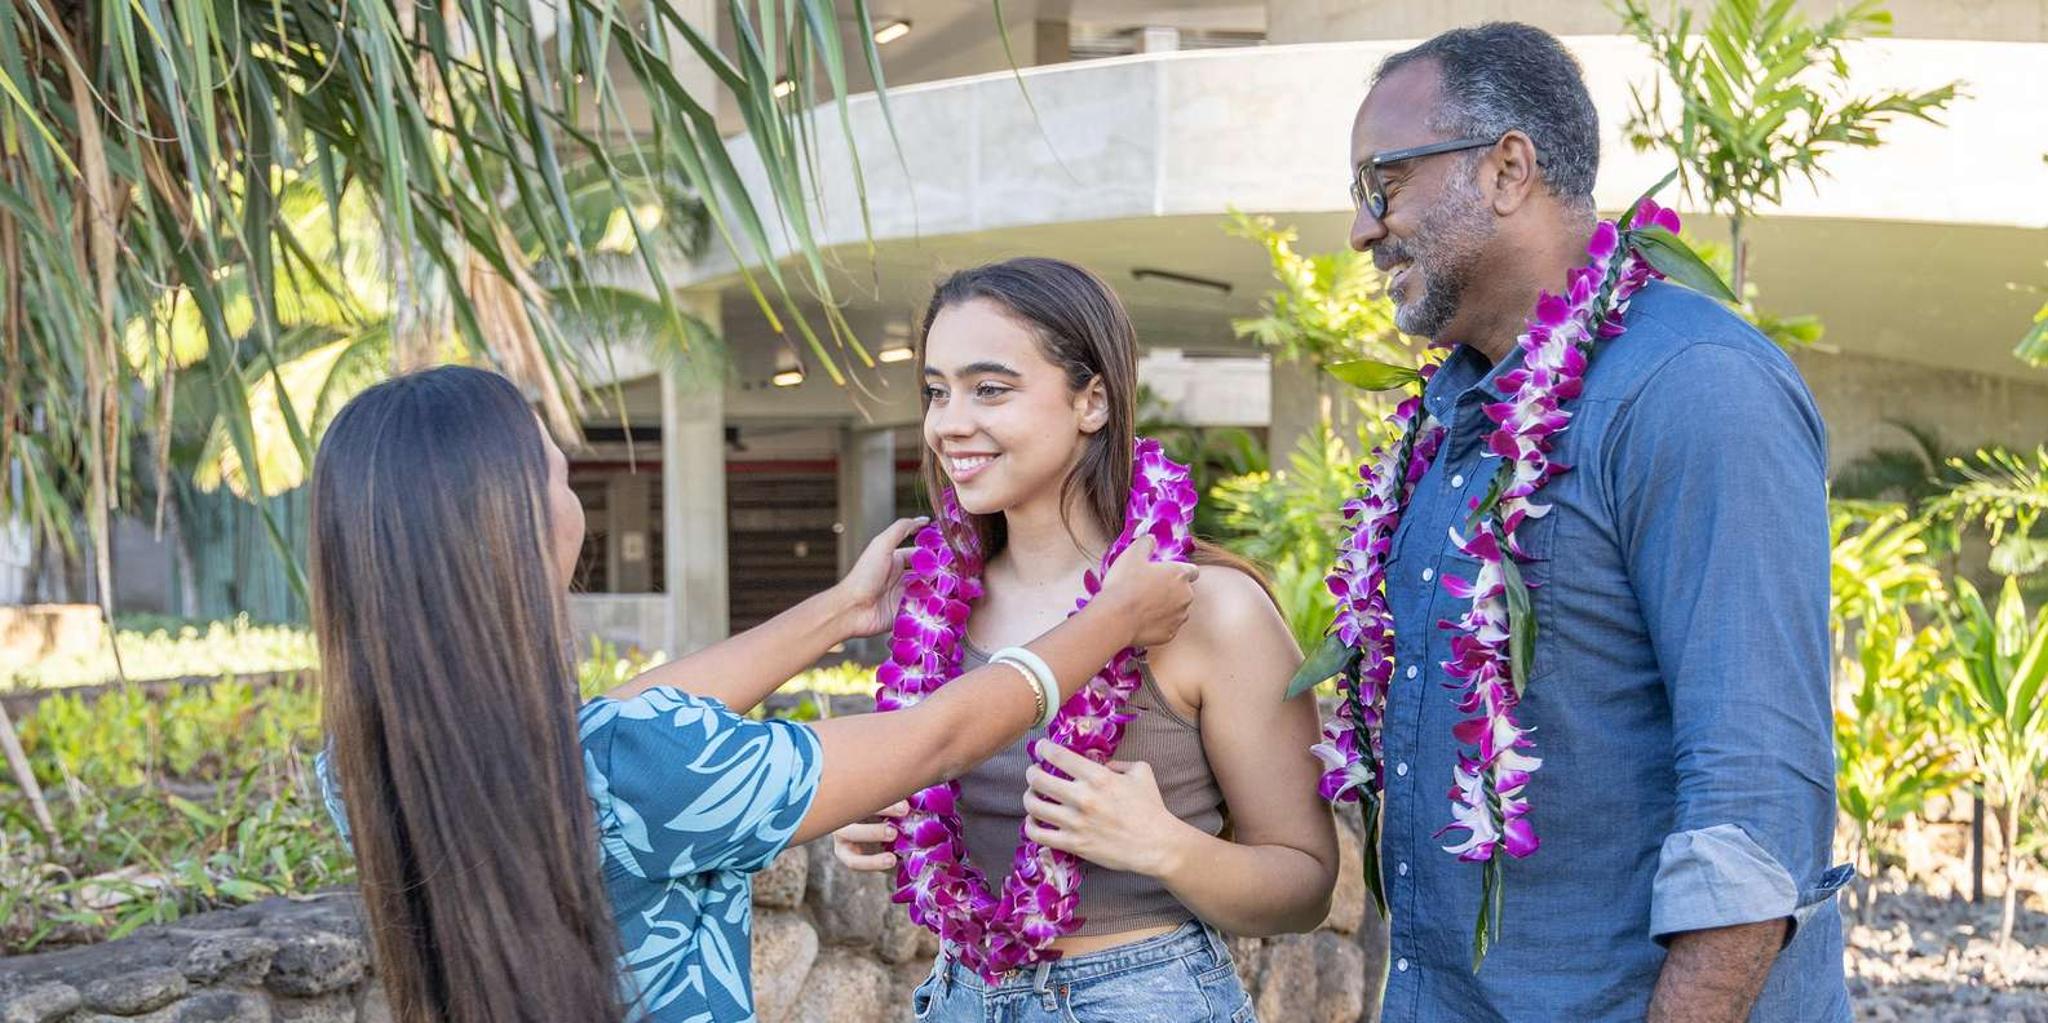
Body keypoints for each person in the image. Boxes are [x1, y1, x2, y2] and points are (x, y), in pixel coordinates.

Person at [308, 364, 1200, 1023]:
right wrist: (1113, 617)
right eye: (556, 474)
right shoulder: (646, 771)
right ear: (513, 528)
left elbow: (605, 730)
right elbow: (934, 741)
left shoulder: (356, 765)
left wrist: (841, 611)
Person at [1339, 22, 1850, 1022]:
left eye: (1380, 183)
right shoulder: (1449, 418)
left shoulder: (1692, 387)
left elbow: (1752, 796)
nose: (1361, 230)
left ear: (1506, 168)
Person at [831, 258, 1338, 1023]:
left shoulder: (1208, 608)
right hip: (959, 995)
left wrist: (1162, 844)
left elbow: (1306, 884)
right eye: (936, 391)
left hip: (1141, 999)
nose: (949, 422)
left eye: (990, 388)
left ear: (1092, 400)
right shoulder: (933, 603)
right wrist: (882, 810)